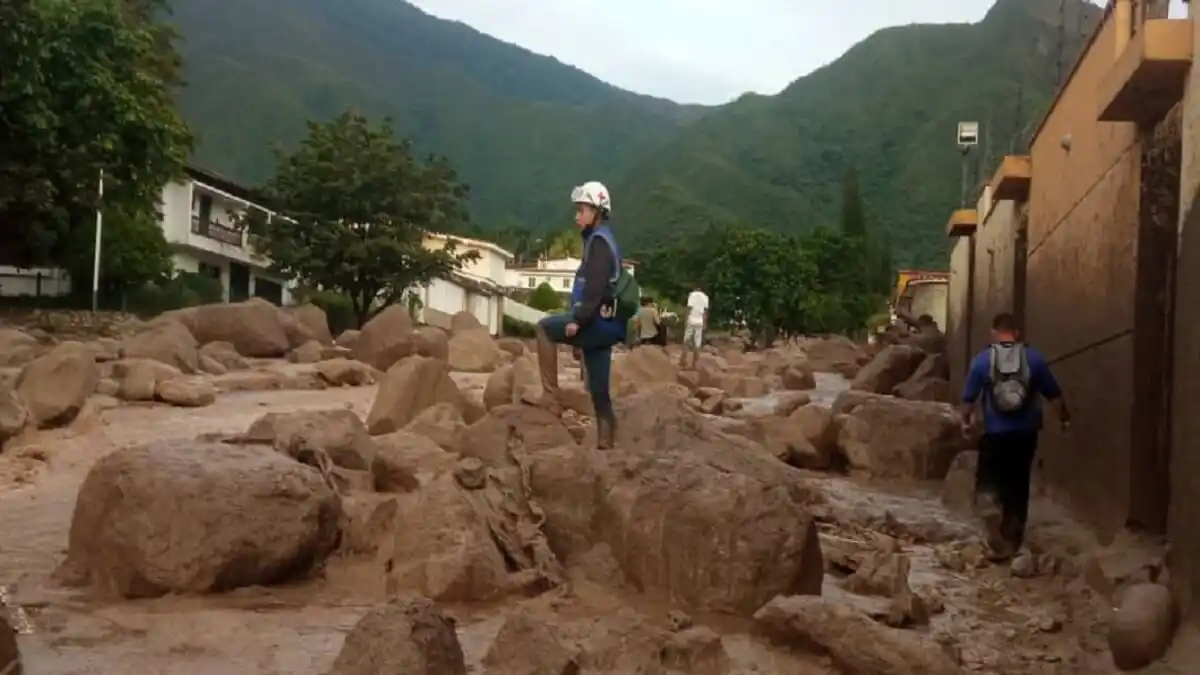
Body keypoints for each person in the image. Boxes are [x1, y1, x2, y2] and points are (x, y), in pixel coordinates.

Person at [960, 312, 1070, 561]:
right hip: (1025, 434)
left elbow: (968, 400)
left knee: (989, 477)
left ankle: (989, 505)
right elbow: (1054, 396)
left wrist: (965, 422)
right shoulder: (1034, 359)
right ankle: (1011, 540)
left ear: (993, 333)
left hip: (994, 434)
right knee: (1018, 485)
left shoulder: (982, 360)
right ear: (1017, 333)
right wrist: (1065, 418)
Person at [533, 180, 627, 448]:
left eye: (582, 209)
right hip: (607, 326)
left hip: (595, 322)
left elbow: (595, 287)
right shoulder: (605, 240)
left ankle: (550, 398)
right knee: (599, 391)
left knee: (543, 329)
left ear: (597, 211)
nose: (577, 216)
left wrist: (578, 321)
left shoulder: (598, 243)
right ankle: (607, 442)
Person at [680, 285, 709, 369]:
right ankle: (695, 363)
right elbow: (705, 312)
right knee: (697, 342)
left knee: (686, 340)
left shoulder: (692, 295)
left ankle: (683, 360)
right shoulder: (705, 297)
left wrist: (685, 319)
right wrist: (705, 323)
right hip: (699, 322)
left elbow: (689, 308)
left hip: (691, 320)